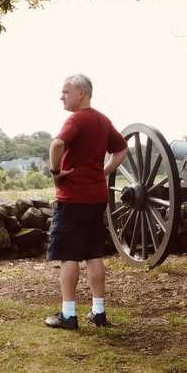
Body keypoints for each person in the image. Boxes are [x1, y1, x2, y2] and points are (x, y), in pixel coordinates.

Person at [44, 74, 128, 330]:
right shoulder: (103, 120)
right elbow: (122, 149)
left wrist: (56, 173)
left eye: (66, 91)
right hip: (96, 197)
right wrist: (104, 171)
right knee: (93, 254)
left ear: (81, 93)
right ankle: (98, 312)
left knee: (69, 255)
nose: (62, 96)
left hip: (73, 198)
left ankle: (68, 315)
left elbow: (57, 143)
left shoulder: (76, 119)